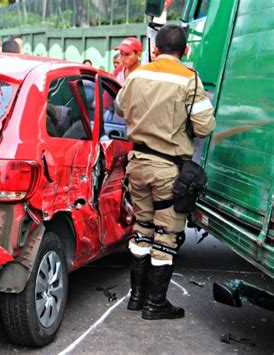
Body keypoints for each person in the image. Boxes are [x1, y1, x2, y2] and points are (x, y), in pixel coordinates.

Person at [116, 25, 215, 320]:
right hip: (167, 169)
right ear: (185, 51)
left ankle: (136, 298)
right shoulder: (189, 79)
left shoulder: (137, 74)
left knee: (142, 229)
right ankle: (155, 304)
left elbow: (121, 108)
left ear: (155, 49)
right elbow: (205, 127)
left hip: (137, 163)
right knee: (166, 235)